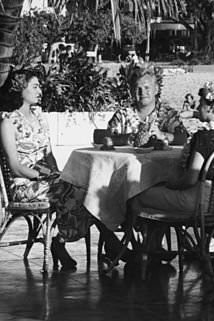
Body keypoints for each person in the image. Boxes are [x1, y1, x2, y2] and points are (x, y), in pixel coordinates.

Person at [126, 83, 214, 264]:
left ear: (210, 106)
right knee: (157, 192)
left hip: (196, 202)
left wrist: (172, 184)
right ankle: (153, 246)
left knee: (136, 195)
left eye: (201, 103)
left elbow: (189, 179)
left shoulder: (204, 137)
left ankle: (138, 252)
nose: (197, 107)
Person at [0, 70, 100, 270]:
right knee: (74, 192)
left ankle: (62, 240)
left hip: (47, 180)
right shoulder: (7, 122)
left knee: (90, 189)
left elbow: (49, 155)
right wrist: (43, 175)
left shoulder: (39, 117)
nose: (40, 90)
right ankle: (61, 242)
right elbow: (15, 166)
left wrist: (57, 173)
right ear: (20, 88)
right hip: (24, 185)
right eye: (35, 86)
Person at [108, 64, 188, 148]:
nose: (142, 92)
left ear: (156, 89)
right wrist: (129, 138)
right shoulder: (122, 115)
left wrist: (162, 135)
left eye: (147, 88)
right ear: (131, 92)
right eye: (138, 88)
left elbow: (183, 138)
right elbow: (107, 138)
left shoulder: (168, 114)